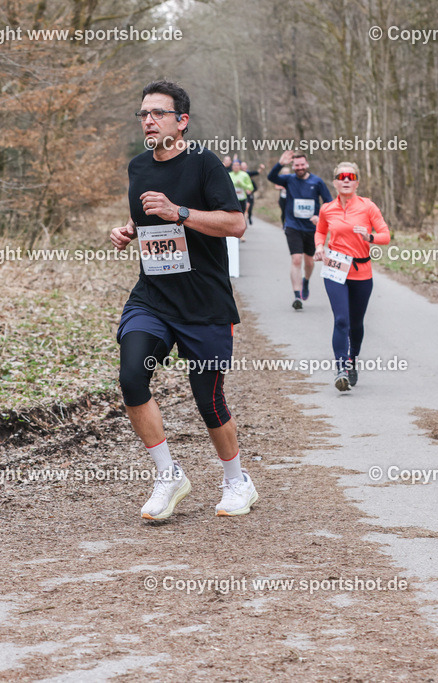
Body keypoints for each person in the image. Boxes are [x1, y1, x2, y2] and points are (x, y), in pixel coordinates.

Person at [109, 80, 259, 520]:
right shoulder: (138, 166)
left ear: (182, 120)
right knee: (132, 377)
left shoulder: (206, 164)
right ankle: (168, 475)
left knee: (207, 398)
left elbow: (235, 224)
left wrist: (181, 213)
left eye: (157, 113)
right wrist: (129, 230)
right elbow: (149, 220)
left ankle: (237, 482)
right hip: (153, 296)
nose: (148, 121)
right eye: (143, 114)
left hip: (204, 302)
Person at [314, 162, 391, 391]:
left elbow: (385, 235)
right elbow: (320, 231)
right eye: (341, 176)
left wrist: (370, 237)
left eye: (351, 176)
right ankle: (341, 368)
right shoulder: (327, 209)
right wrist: (319, 247)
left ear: (357, 182)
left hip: (361, 271)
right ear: (335, 182)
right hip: (336, 269)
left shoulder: (368, 207)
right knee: (341, 320)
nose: (346, 180)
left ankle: (352, 360)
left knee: (356, 324)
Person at [268, 150, 332, 309]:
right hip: (293, 226)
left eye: (302, 164)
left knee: (309, 262)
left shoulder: (317, 182)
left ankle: (306, 281)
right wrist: (280, 163)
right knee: (296, 259)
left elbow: (329, 202)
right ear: (293, 166)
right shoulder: (289, 180)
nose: (300, 167)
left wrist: (320, 217)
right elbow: (271, 177)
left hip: (312, 228)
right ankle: (297, 296)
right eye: (296, 165)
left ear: (307, 165)